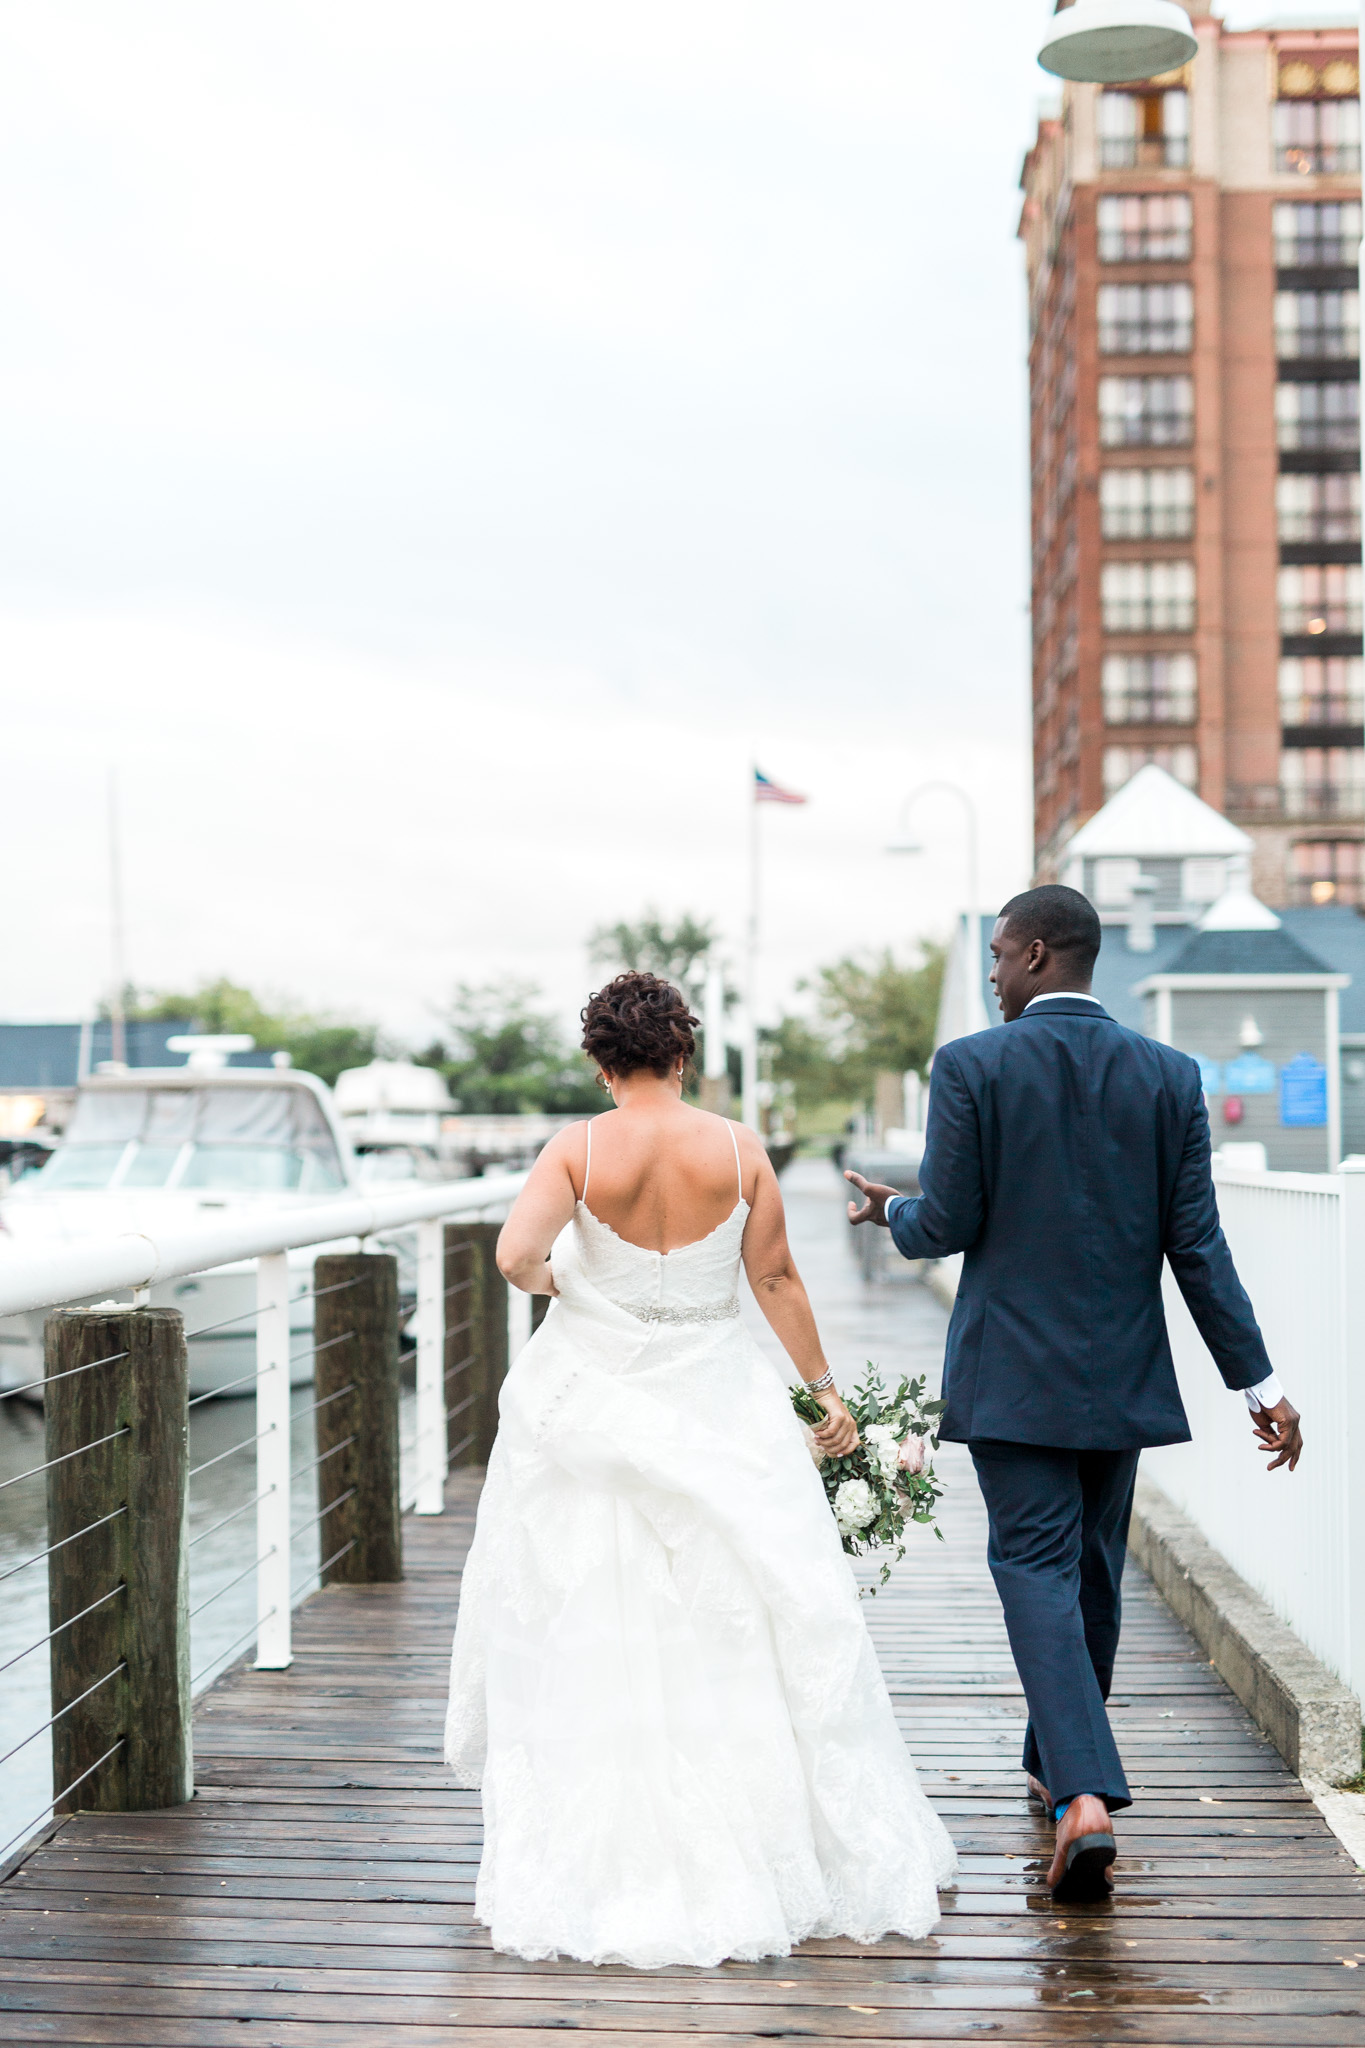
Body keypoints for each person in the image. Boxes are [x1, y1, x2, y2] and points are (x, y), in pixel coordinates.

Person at [445, 970, 956, 1968]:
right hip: (722, 1394)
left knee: (596, 1601)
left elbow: (516, 1254)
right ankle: (774, 1842)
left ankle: (618, 1846)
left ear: (601, 1060)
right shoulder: (736, 1145)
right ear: (683, 1052)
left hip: (599, 1388)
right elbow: (773, 1276)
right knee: (753, 1606)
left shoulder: (578, 1146)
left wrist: (581, 1288)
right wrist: (821, 1392)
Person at [846, 885, 1301, 1906]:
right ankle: (1056, 1761)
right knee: (1090, 1572)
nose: (995, 972)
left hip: (1013, 1376)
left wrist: (891, 1214)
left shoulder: (971, 1064)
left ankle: (1084, 1797)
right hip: (1122, 1376)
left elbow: (950, 1217)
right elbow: (1199, 1248)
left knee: (1034, 1565)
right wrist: (1259, 1381)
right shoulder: (1170, 1076)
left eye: (1002, 955)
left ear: (1040, 952)